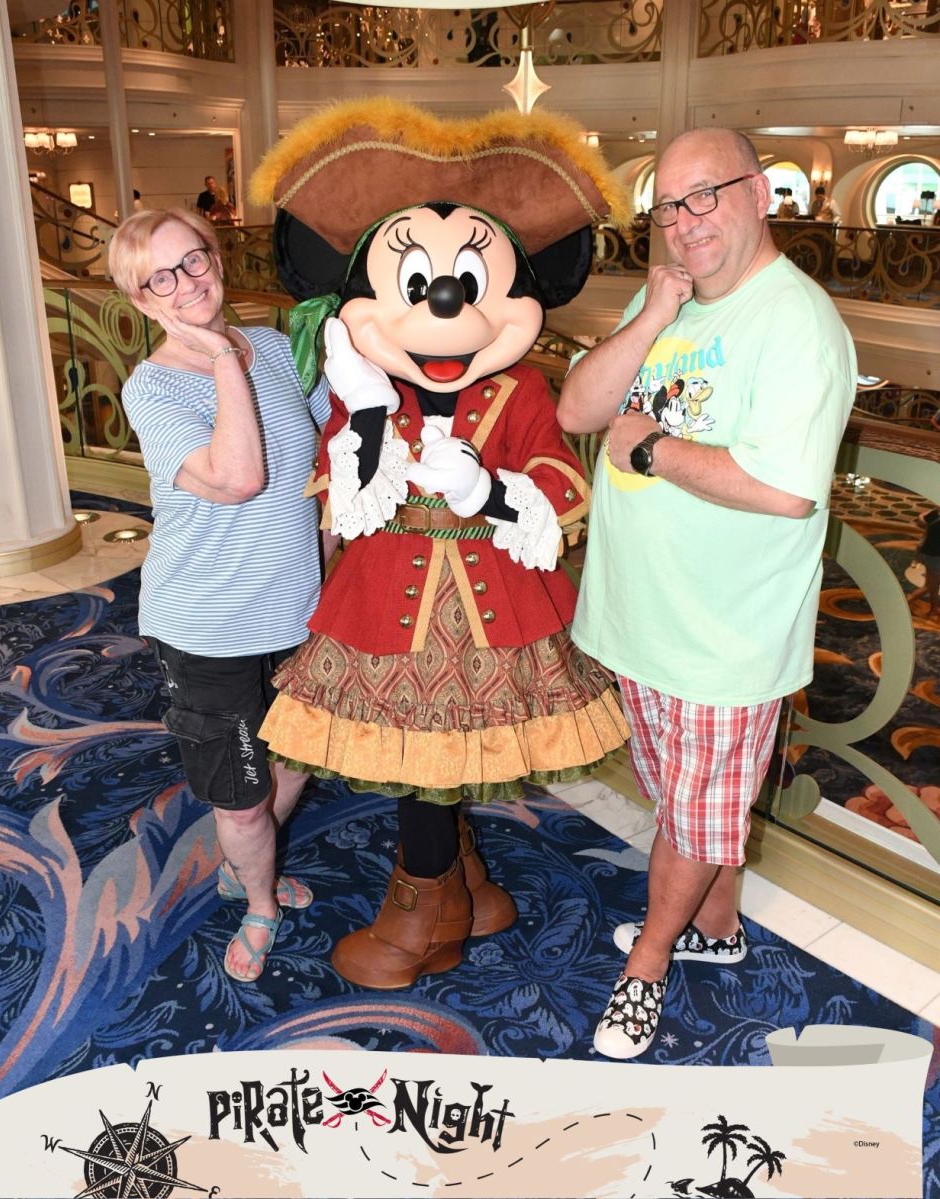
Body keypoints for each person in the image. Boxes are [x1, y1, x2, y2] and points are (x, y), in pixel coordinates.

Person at [249, 99, 630, 991]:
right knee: (419, 758)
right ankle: (465, 888)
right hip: (386, 600)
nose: (447, 306)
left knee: (434, 759)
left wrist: (485, 490)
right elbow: (341, 495)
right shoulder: (367, 385)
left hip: (495, 605)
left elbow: (563, 487)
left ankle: (424, 913)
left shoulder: (523, 388)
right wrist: (366, 415)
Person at [557, 127, 857, 1059]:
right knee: (687, 805)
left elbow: (787, 488)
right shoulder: (673, 303)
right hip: (645, 619)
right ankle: (716, 927)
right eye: (668, 205)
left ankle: (648, 964)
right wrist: (652, 314)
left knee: (690, 818)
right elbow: (577, 409)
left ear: (759, 194)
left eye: (706, 195)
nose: (685, 221)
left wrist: (650, 446)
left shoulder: (797, 323)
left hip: (723, 638)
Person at [107, 208, 333, 983]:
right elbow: (240, 478)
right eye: (159, 279)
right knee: (240, 797)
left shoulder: (272, 346)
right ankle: (259, 900)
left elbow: (332, 450)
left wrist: (330, 548)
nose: (185, 283)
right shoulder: (152, 389)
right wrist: (221, 361)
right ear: (140, 300)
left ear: (216, 258)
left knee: (298, 754)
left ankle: (245, 862)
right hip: (208, 625)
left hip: (297, 609)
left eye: (193, 259)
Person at [908, 507, 940, 619]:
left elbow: (921, 519)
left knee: (934, 584)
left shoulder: (936, 512)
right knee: (930, 585)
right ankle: (906, 602)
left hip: (926, 552)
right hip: (934, 557)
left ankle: (933, 609)